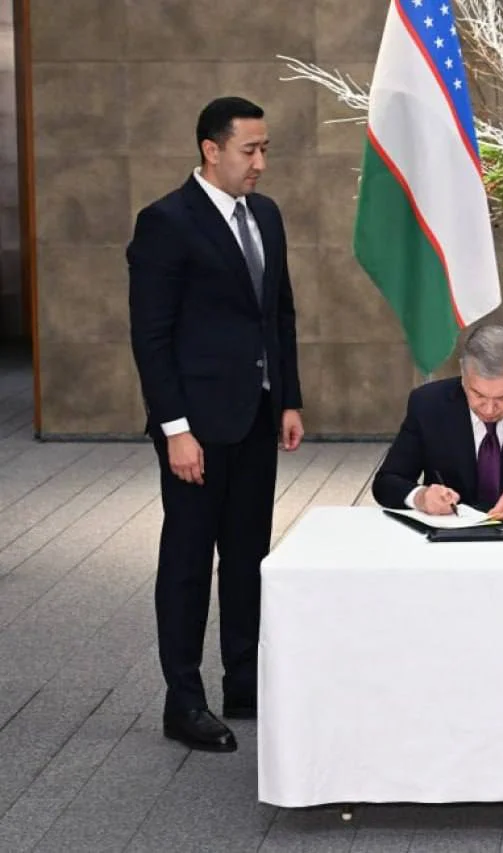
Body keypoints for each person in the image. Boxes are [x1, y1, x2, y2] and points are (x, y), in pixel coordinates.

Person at [127, 96, 304, 753]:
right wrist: (174, 428)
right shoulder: (166, 222)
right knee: (188, 560)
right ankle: (183, 701)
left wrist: (288, 399)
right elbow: (151, 337)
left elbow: (278, 314)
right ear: (211, 149)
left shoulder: (267, 215)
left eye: (264, 150)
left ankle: (244, 682)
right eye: (248, 150)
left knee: (248, 553)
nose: (260, 163)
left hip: (256, 415)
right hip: (195, 427)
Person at [373, 324, 503, 519]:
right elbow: (387, 482)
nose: (489, 409)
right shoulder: (428, 404)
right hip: (450, 531)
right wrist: (421, 497)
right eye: (478, 394)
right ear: (463, 374)